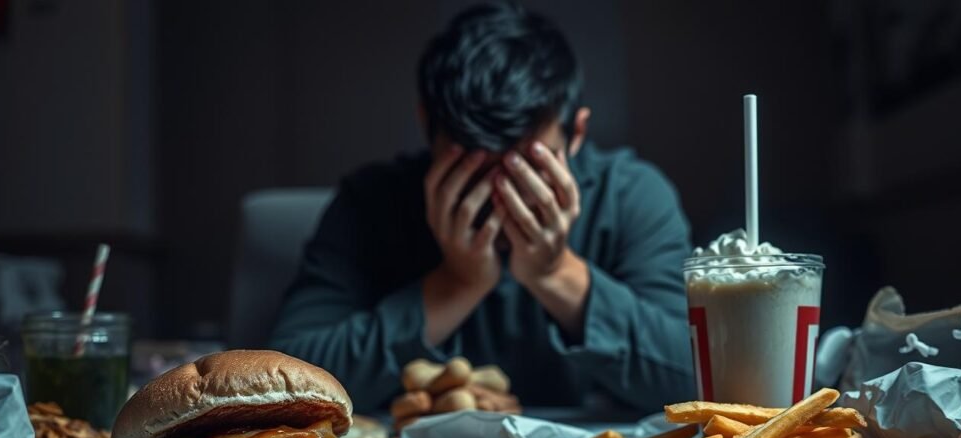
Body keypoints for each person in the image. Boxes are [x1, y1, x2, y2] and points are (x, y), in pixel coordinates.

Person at [271, 2, 694, 414]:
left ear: (577, 132)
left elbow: (699, 377)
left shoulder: (631, 196)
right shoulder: (369, 203)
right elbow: (284, 384)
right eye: (473, 169)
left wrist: (556, 274)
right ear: (426, 124)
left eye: (527, 166)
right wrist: (453, 286)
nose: (501, 195)